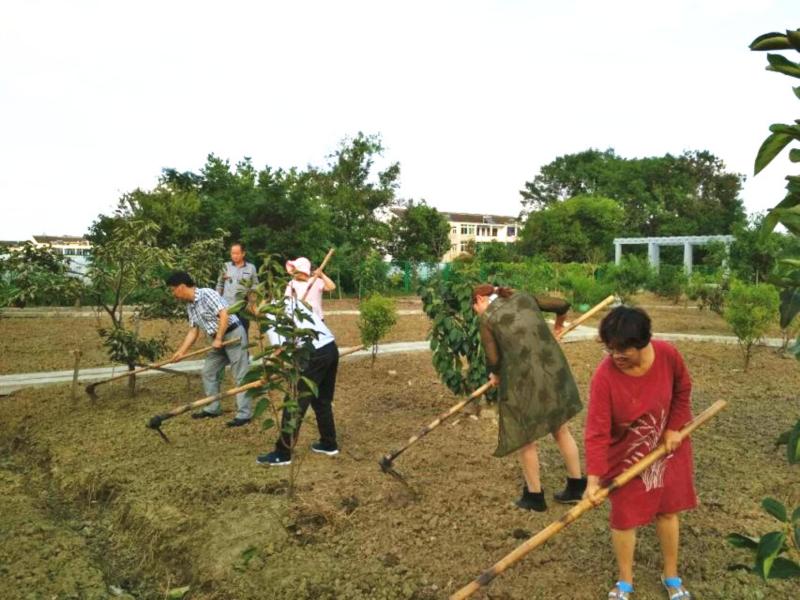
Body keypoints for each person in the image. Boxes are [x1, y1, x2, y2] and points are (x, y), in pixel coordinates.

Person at [584, 306, 696, 600]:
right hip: (627, 456)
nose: (616, 355)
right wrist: (593, 480)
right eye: (610, 349)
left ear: (643, 342)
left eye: (623, 349)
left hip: (666, 448)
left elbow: (683, 390)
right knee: (624, 517)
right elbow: (597, 431)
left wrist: (674, 428)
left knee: (667, 510)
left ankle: (671, 575)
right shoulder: (604, 377)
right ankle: (625, 581)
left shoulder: (668, 355)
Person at [472, 284, 586, 511]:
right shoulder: (524, 297)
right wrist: (558, 325)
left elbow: (493, 358)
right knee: (560, 429)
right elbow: (562, 305)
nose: (476, 311)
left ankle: (534, 497)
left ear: (480, 299)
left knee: (525, 437)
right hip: (551, 370)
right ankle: (576, 487)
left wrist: (495, 375)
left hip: (524, 380)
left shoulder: (487, 318)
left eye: (473, 307)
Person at [256, 295, 340, 466]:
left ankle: (282, 453)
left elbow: (280, 350)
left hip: (313, 355)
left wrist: (266, 376)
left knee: (293, 403)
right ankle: (329, 443)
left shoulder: (271, 315)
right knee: (322, 400)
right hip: (330, 348)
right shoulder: (289, 301)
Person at [167, 271, 252, 428]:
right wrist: (181, 352)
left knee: (240, 374)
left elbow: (224, 314)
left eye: (173, 290)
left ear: (181, 287)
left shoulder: (207, 294)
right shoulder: (190, 306)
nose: (173, 294)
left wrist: (219, 338)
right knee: (208, 371)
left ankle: (244, 414)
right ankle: (213, 408)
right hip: (216, 340)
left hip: (233, 334)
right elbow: (193, 331)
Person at [216, 242, 259, 334]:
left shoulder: (251, 268)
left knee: (243, 331)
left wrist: (251, 301)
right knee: (227, 332)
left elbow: (255, 285)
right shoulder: (225, 266)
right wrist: (217, 301)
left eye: (237, 253)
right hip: (227, 307)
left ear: (243, 253)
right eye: (233, 253)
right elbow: (220, 285)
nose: (235, 256)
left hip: (243, 308)